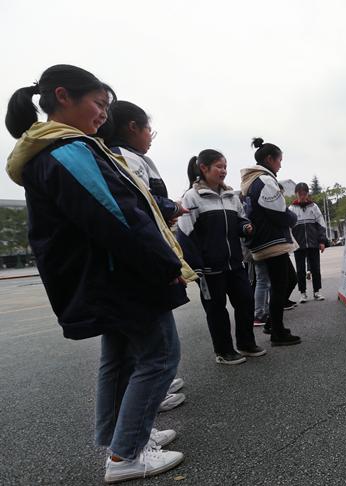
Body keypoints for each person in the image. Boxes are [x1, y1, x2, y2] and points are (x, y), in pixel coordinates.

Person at [5, 65, 193, 482]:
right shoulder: (69, 151)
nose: (104, 114)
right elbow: (117, 217)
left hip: (103, 277)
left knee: (120, 359)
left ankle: (124, 438)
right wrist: (164, 265)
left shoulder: (50, 150)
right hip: (120, 276)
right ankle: (126, 454)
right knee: (160, 356)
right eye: (99, 103)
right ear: (63, 96)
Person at [99, 100, 186, 412]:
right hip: (139, 264)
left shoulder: (105, 154)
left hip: (124, 266)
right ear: (132, 127)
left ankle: (125, 431)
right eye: (149, 130)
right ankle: (137, 429)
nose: (150, 136)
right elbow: (141, 206)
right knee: (158, 355)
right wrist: (171, 208)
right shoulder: (126, 158)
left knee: (121, 357)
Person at [177, 149, 266, 363]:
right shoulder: (191, 197)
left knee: (245, 301)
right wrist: (196, 267)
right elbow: (185, 234)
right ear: (203, 168)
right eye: (219, 166)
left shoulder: (231, 195)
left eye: (225, 166)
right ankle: (224, 351)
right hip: (209, 269)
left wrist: (245, 227)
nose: (223, 170)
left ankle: (246, 344)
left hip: (235, 264)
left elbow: (241, 219)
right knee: (216, 310)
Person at [240, 138, 301, 346]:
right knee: (281, 284)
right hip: (272, 241)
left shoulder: (252, 181)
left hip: (264, 240)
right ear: (269, 159)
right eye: (279, 160)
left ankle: (273, 324)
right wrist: (293, 218)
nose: (280, 165)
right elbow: (278, 212)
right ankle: (277, 332)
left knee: (285, 281)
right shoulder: (264, 180)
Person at [289, 182, 328, 302]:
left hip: (313, 243)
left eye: (304, 194)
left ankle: (317, 292)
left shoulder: (313, 207)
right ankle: (303, 293)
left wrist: (322, 241)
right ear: (296, 194)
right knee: (300, 270)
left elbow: (321, 224)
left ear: (307, 194)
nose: (302, 196)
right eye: (299, 194)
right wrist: (291, 243)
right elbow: (288, 229)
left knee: (315, 268)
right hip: (298, 245)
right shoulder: (291, 209)